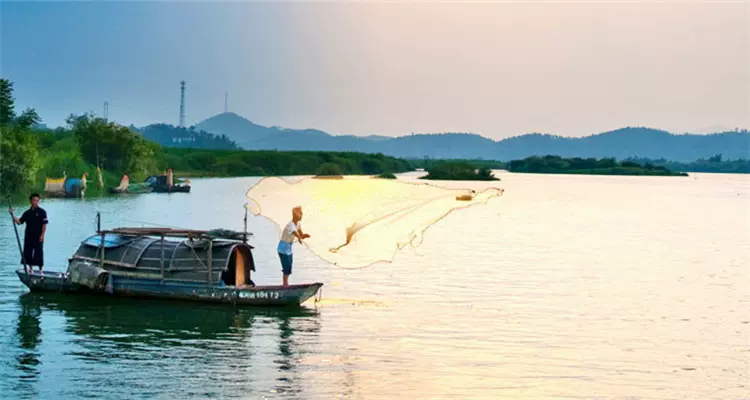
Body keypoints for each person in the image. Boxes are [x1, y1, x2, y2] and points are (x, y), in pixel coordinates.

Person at [9, 193, 49, 273]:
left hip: (38, 236)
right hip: (29, 235)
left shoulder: (42, 212)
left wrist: (42, 235)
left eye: (37, 200)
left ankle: (40, 270)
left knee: (39, 252)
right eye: (34, 200)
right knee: (28, 252)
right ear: (31, 201)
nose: (36, 202)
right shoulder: (27, 213)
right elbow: (19, 222)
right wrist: (12, 214)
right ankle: (30, 269)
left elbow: (44, 225)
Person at [277, 206, 310, 287]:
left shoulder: (298, 224)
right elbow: (296, 234)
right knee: (286, 266)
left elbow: (300, 235)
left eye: (302, 214)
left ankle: (286, 283)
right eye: (300, 214)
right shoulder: (290, 225)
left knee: (289, 266)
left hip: (289, 247)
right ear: (295, 215)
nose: (301, 216)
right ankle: (285, 284)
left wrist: (304, 236)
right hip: (282, 248)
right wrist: (299, 237)